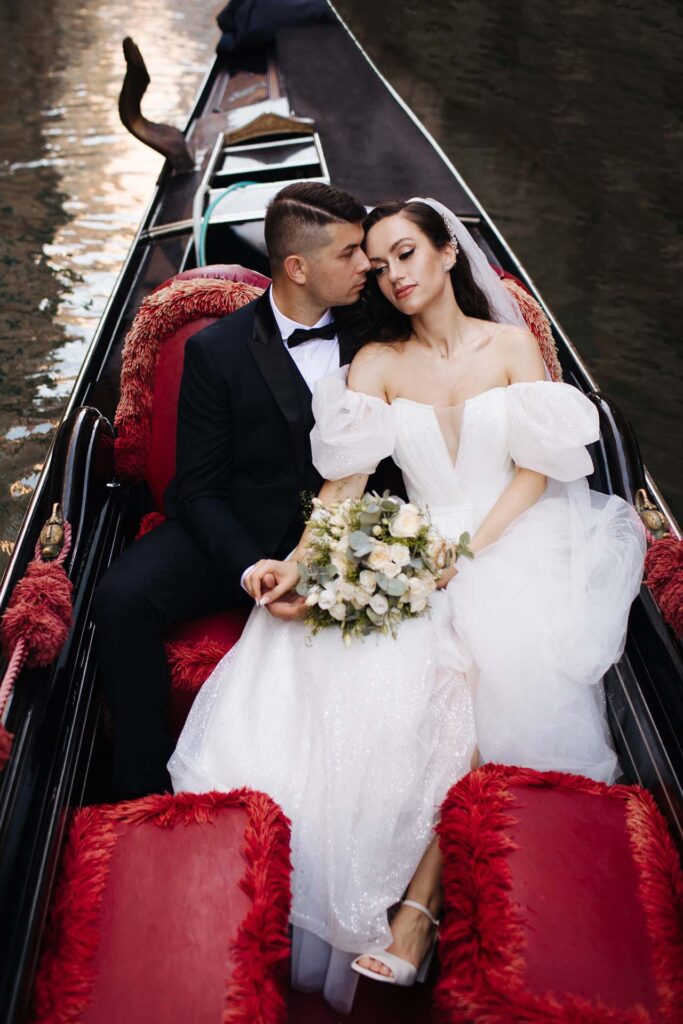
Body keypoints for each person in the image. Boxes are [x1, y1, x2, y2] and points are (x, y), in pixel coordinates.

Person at [168, 197, 646, 1012]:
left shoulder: (512, 345)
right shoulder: (377, 364)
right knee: (343, 669)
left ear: (447, 254)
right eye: (379, 264)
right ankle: (327, 891)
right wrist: (300, 562)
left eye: (405, 254)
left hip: (515, 537)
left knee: (486, 678)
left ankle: (416, 917)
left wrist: (464, 555)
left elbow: (535, 472)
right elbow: (345, 484)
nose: (393, 276)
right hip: (416, 550)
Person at [92, 180, 405, 800]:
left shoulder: (381, 325)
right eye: (347, 253)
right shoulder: (218, 352)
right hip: (246, 530)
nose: (366, 264)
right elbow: (197, 490)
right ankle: (142, 795)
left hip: (356, 529)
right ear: (297, 267)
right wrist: (249, 567)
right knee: (120, 599)